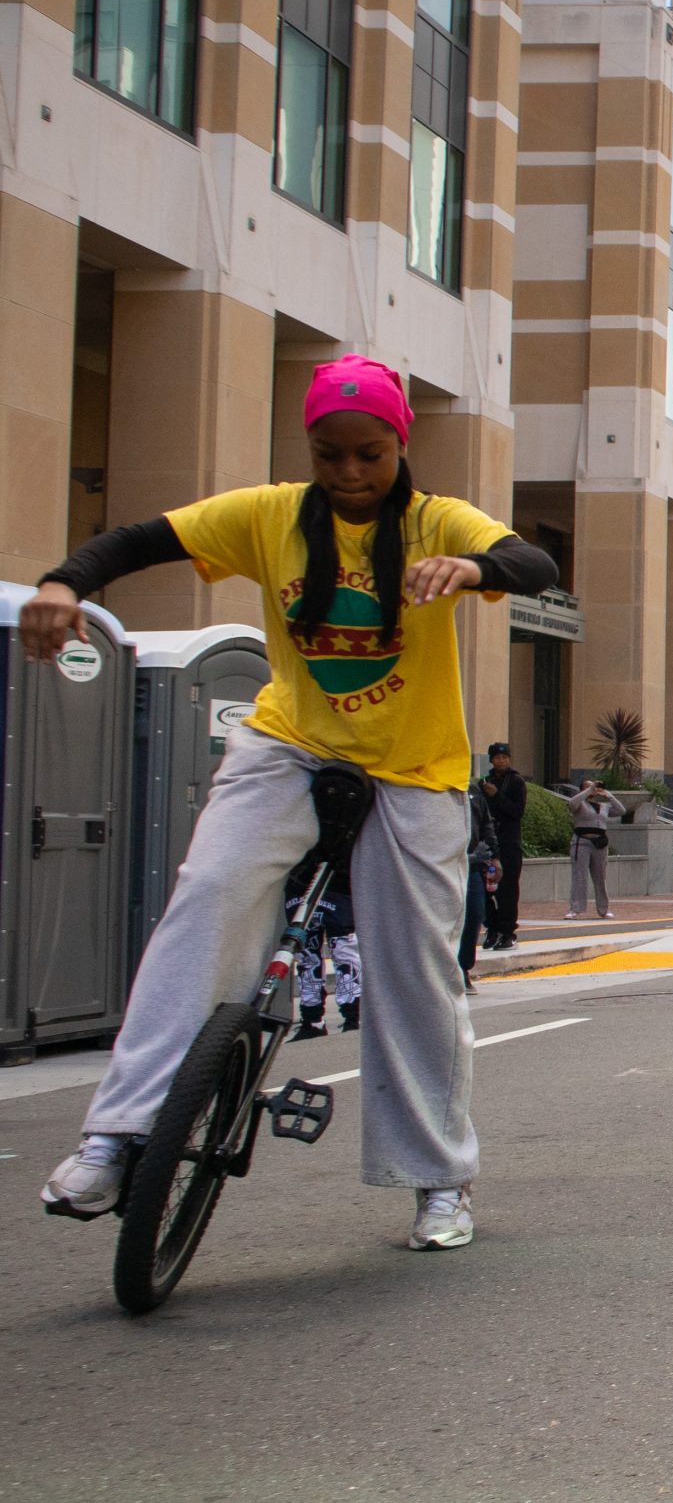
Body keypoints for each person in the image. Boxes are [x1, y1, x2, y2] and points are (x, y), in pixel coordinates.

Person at [24, 353, 556, 1251]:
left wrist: (470, 569)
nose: (350, 474)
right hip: (289, 744)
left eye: (370, 455)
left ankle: (436, 1179)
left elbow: (530, 561)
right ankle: (115, 1138)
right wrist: (60, 584)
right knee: (207, 902)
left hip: (413, 768)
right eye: (330, 454)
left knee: (412, 971)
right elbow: (133, 542)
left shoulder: (434, 523)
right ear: (308, 450)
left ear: (400, 446)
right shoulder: (269, 515)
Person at [292, 860, 363, 1040]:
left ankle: (355, 1018)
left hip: (337, 872)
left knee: (343, 949)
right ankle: (312, 1020)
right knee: (306, 953)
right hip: (299, 876)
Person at [483, 741, 526, 950]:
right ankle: (492, 928)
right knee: (485, 889)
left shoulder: (516, 782)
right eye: (497, 758)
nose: (501, 761)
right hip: (489, 845)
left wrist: (497, 796)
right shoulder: (484, 782)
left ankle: (508, 932)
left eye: (504, 758)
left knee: (507, 890)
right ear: (491, 760)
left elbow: (517, 812)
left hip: (509, 843)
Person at [460, 781, 498, 993]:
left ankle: (463, 968)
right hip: (445, 867)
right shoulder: (438, 787)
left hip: (473, 866)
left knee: (475, 913)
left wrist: (495, 857)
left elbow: (486, 824)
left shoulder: (473, 791)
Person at [567, 782, 624, 920]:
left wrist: (608, 795)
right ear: (581, 790)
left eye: (593, 786)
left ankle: (603, 909)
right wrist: (588, 791)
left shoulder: (603, 806)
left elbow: (621, 810)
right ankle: (575, 909)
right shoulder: (580, 804)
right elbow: (572, 803)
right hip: (582, 842)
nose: (592, 788)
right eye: (587, 786)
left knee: (600, 877)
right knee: (579, 876)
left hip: (600, 843)